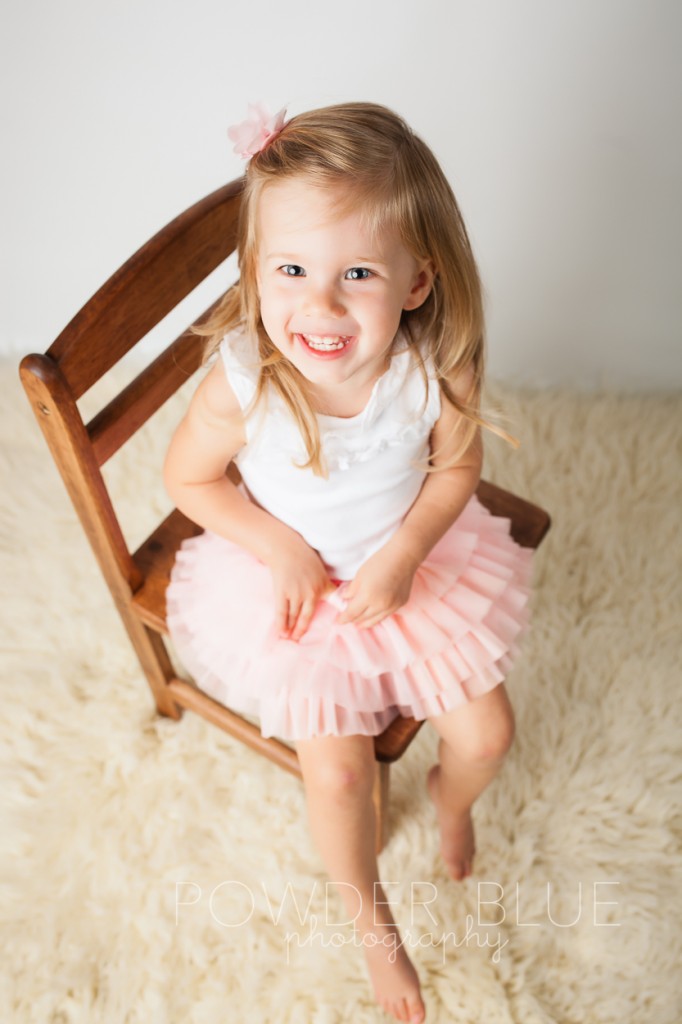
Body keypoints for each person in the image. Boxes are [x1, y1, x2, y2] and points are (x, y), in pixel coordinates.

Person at [163, 101, 532, 1023]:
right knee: (336, 776)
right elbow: (187, 481)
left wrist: (409, 547)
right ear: (255, 270)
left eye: (357, 272)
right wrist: (278, 544)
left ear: (416, 281)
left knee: (487, 735)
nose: (318, 306)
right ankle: (371, 923)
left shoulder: (433, 365)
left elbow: (457, 468)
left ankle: (450, 803)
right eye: (289, 269)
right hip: (287, 590)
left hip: (409, 569)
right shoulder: (245, 382)